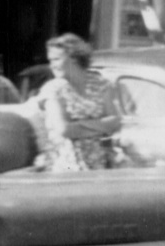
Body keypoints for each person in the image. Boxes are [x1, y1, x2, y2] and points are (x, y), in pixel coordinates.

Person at [30, 33, 122, 171]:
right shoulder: (52, 89)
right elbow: (64, 129)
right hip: (64, 163)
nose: (52, 66)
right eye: (51, 61)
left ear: (73, 58)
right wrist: (100, 127)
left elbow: (115, 121)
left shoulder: (101, 84)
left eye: (56, 59)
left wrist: (80, 125)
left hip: (99, 161)